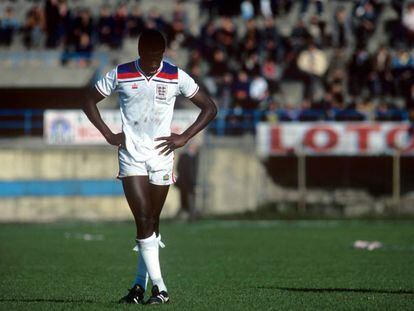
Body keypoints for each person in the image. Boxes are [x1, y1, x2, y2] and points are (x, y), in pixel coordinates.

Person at [82, 29, 217, 305]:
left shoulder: (176, 75)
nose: (155, 63)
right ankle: (160, 288)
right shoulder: (121, 73)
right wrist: (109, 135)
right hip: (131, 155)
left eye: (159, 58)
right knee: (143, 218)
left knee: (152, 223)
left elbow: (210, 108)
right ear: (140, 53)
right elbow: (87, 100)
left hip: (162, 156)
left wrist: (184, 137)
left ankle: (136, 288)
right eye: (150, 58)